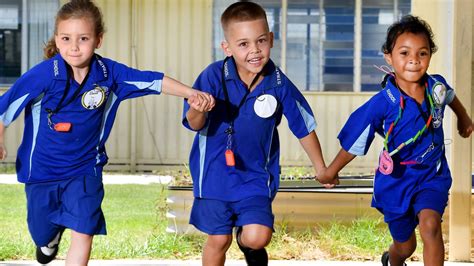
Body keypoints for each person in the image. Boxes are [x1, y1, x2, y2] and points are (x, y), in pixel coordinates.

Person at [0, 0, 214, 265]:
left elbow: (153, 80)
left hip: (85, 168)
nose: (74, 47)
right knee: (41, 231)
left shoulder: (109, 74)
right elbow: (5, 108)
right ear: (57, 39)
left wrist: (191, 93)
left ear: (98, 40)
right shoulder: (43, 75)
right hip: (42, 172)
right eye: (66, 38)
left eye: (83, 38)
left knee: (84, 229)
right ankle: (49, 240)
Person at [182, 2, 331, 266]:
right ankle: (232, 239)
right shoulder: (213, 76)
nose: (254, 50)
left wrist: (321, 168)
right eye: (243, 44)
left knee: (257, 236)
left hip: (255, 176)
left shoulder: (278, 83)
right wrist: (197, 109)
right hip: (214, 175)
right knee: (218, 239)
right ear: (227, 48)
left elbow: (304, 127)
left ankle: (245, 242)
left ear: (271, 39)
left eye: (261, 41)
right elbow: (194, 123)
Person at [317, 15, 473, 266]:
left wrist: (463, 118)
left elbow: (450, 97)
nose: (414, 60)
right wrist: (329, 172)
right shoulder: (382, 103)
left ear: (430, 56)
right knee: (406, 245)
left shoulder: (436, 86)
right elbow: (355, 141)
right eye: (404, 53)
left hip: (432, 175)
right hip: (396, 181)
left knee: (431, 227)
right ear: (389, 57)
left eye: (422, 53)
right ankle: (394, 259)